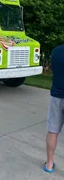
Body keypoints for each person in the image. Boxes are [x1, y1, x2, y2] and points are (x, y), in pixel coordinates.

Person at [44, 44, 64, 173]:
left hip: (56, 96)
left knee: (53, 131)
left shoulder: (56, 51)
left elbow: (54, 71)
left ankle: (49, 164)